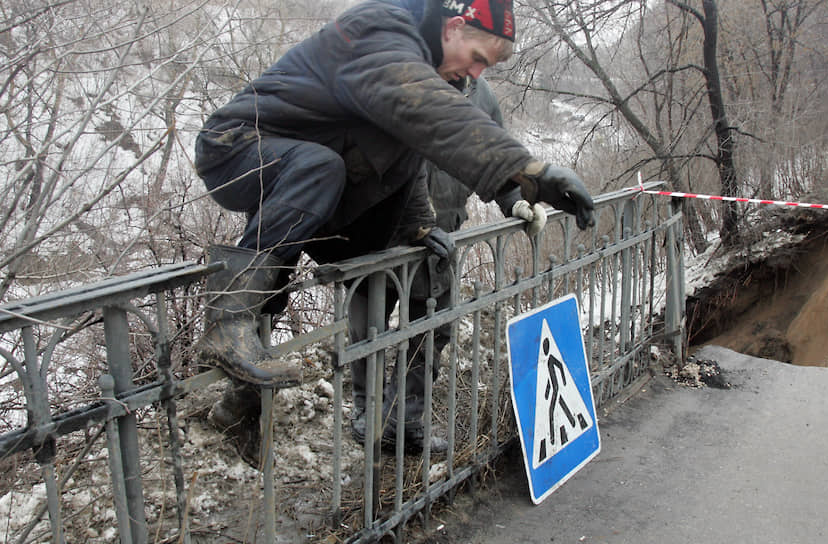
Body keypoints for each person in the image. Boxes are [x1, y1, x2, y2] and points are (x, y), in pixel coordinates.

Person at [193, 0, 596, 464]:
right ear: (455, 25)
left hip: (312, 171)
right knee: (318, 170)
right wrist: (529, 171)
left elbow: (411, 150)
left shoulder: (424, 61)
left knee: (332, 240)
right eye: (479, 57)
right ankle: (227, 322)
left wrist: (417, 224)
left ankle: (242, 399)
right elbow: (429, 114)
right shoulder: (380, 29)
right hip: (237, 145)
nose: (477, 74)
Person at [347, 74, 546, 454]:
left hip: (440, 236)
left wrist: (516, 200)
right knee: (367, 329)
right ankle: (365, 414)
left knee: (432, 330)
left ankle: (401, 422)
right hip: (381, 231)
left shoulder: (479, 93)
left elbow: (493, 157)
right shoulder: (405, 71)